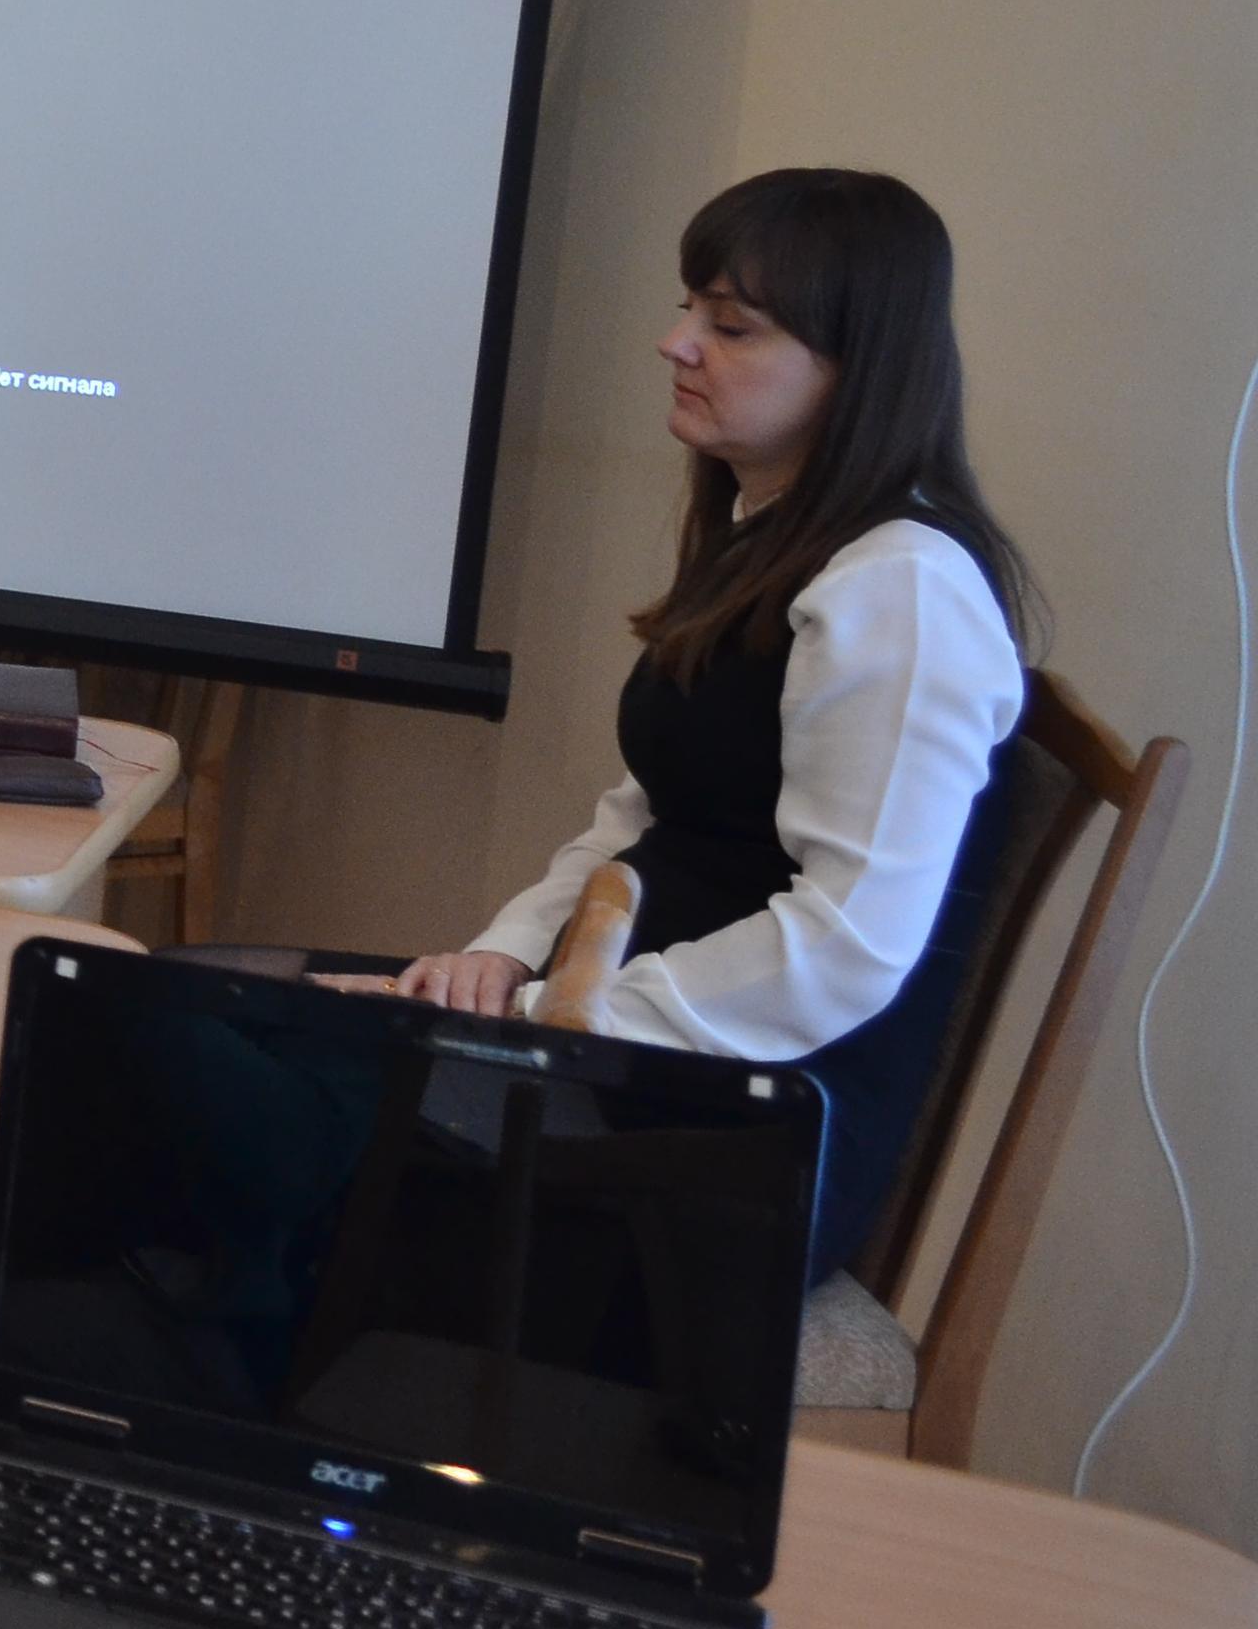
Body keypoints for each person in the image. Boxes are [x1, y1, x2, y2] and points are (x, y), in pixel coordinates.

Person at [363, 167, 1033, 1279]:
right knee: (220, 1022)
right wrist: (505, 954)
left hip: (729, 1146)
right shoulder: (773, 535)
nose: (675, 344)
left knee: (253, 1090)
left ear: (855, 367)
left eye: (730, 326)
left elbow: (847, 949)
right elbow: (645, 816)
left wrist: (560, 1016)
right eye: (690, 311)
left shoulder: (902, 590)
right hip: (630, 1049)